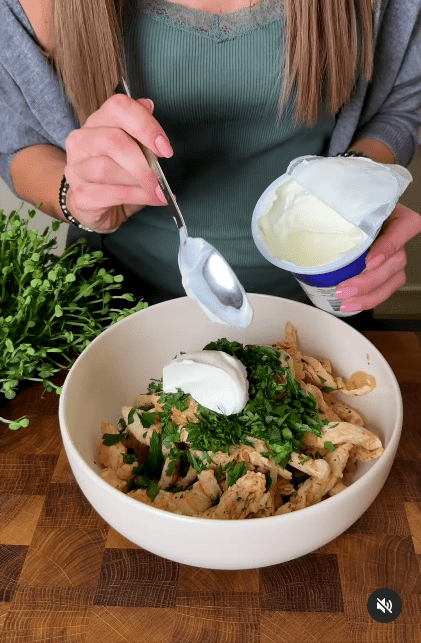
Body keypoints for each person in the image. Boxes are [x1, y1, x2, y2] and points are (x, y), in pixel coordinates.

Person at [1, 0, 421, 313]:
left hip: (316, 308)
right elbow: (17, 139)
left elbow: (399, 107)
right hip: (109, 308)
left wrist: (358, 189)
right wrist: (75, 199)